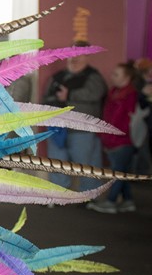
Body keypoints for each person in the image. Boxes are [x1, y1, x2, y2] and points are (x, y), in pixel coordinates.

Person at [42, 45, 107, 191]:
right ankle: (59, 193)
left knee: (86, 164)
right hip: (57, 127)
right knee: (57, 162)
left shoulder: (93, 76)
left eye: (79, 55)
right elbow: (46, 97)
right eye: (71, 55)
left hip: (81, 128)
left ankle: (90, 194)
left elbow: (95, 94)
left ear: (87, 57)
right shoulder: (57, 76)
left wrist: (69, 95)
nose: (74, 58)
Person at [89, 63, 140, 212]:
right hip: (111, 139)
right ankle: (128, 201)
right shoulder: (113, 92)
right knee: (121, 171)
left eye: (116, 74)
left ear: (127, 77)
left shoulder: (132, 96)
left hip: (124, 141)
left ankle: (111, 201)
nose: (112, 77)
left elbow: (129, 121)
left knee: (117, 173)